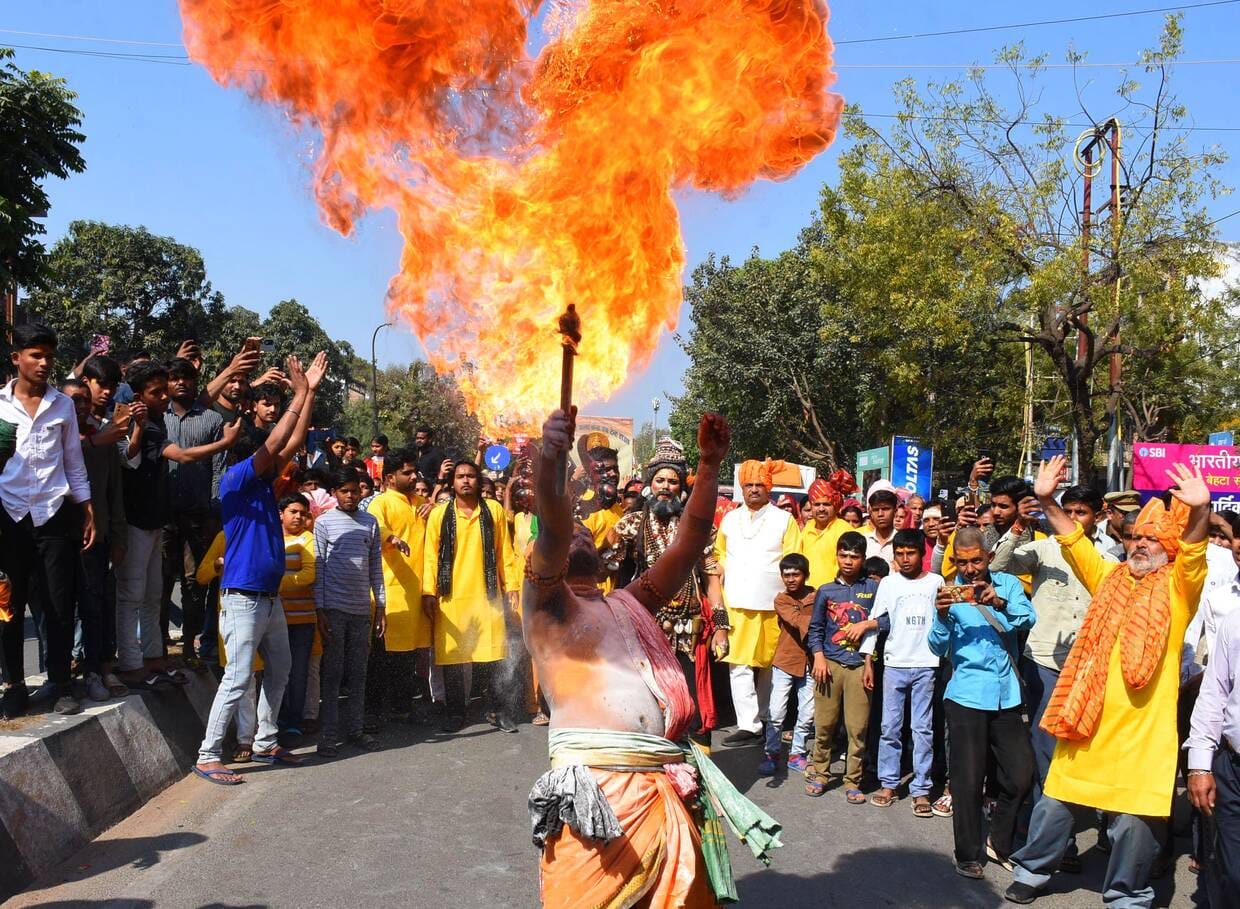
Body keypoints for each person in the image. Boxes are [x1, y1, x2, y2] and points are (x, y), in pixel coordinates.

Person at [523, 407, 780, 908]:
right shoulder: (546, 610)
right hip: (595, 800)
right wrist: (550, 465)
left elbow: (687, 545)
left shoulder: (628, 603)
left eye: (584, 531)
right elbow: (553, 530)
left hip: (662, 794)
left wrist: (708, 467)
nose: (577, 532)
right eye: (565, 533)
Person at [1005, 455, 1211, 906]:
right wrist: (1044, 498)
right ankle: (1034, 870)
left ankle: (1126, 892)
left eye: (1150, 539)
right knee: (1055, 805)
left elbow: (1194, 554)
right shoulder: (1109, 578)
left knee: (1135, 825)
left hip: (1141, 737)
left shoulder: (1179, 590)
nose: (1138, 545)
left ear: (1167, 548)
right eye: (1134, 537)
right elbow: (1073, 540)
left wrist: (1200, 510)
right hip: (1087, 719)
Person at [193, 352, 327, 786]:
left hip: (269, 598)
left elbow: (290, 441)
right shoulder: (234, 480)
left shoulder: (263, 484)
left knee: (283, 668)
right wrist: (300, 391)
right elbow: (275, 445)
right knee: (237, 677)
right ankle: (209, 753)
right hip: (243, 595)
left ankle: (267, 741)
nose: (277, 459)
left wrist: (309, 395)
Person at [992, 485, 1117, 807]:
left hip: (1087, 664)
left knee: (1083, 742)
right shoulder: (1044, 549)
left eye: (1082, 513)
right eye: (1068, 512)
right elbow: (997, 567)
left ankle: (1080, 818)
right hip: (1045, 659)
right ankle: (1046, 825)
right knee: (1044, 741)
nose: (1074, 519)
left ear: (1098, 516)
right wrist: (1018, 526)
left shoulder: (1107, 558)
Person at [116, 362, 239, 690]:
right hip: (137, 519)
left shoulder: (156, 422)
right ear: (138, 395)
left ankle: (156, 659)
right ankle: (131, 663)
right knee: (133, 594)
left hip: (164, 517)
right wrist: (223, 444)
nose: (164, 395)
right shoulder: (134, 422)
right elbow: (180, 456)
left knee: (157, 591)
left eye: (163, 390)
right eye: (156, 391)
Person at [0, 325, 96, 718]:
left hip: (54, 514)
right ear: (16, 358)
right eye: (36, 355)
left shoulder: (63, 406)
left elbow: (73, 461)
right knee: (8, 604)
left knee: (58, 601)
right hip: (8, 515)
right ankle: (14, 685)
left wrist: (88, 508)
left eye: (49, 357)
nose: (43, 363)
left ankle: (59, 682)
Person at [608, 438, 729, 748]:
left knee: (691, 708)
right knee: (647, 707)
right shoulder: (631, 524)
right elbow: (607, 569)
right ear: (650, 484)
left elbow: (712, 577)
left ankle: (695, 781)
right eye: (660, 480)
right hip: (643, 628)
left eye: (672, 481)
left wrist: (721, 627)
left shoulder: (699, 530)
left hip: (687, 632)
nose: (665, 486)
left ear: (681, 487)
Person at [931, 526, 1036, 879]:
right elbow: (936, 646)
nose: (970, 569)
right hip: (966, 695)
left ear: (988, 557)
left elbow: (1027, 619)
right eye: (963, 562)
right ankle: (967, 853)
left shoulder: (1006, 585)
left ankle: (999, 840)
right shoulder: (948, 591)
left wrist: (997, 602)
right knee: (967, 779)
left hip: (1007, 694)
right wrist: (943, 617)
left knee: (1021, 775)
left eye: (976, 560)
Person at [423, 460, 521, 733]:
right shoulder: (440, 514)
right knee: (454, 659)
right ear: (452, 482)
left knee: (492, 658)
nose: (465, 481)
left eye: (470, 476)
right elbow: (430, 557)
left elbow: (505, 551)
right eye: (459, 477)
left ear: (478, 480)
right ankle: (456, 713)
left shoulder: (494, 510)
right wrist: (428, 592)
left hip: (487, 596)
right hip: (451, 598)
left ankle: (497, 710)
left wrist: (511, 586)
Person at [714, 459, 801, 747]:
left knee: (768, 666)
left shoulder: (784, 520)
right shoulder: (729, 519)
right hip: (736, 603)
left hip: (772, 604)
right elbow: (719, 556)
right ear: (742, 488)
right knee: (738, 665)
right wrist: (719, 571)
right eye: (748, 485)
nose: (753, 490)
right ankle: (748, 725)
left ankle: (767, 719)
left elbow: (793, 560)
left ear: (769, 488)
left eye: (759, 485)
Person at [862, 527, 944, 814]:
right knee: (889, 728)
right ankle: (888, 782)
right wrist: (868, 662)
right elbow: (876, 621)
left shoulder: (936, 582)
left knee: (922, 728)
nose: (905, 559)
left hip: (927, 664)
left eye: (911, 553)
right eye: (900, 554)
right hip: (894, 663)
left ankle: (921, 788)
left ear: (923, 553)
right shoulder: (888, 584)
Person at [313, 465, 387, 754]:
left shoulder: (370, 522)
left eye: (355, 491)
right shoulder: (324, 523)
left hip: (361, 610)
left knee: (359, 673)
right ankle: (329, 736)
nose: (351, 496)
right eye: (345, 491)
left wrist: (380, 606)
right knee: (332, 674)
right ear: (334, 493)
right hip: (333, 609)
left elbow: (375, 567)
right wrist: (319, 609)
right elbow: (319, 567)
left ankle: (355, 730)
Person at [63, 379, 128, 702]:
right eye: (73, 400)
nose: (80, 406)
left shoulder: (105, 434)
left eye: (84, 400)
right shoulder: (51, 434)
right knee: (57, 608)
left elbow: (114, 491)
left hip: (95, 536)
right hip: (57, 535)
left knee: (95, 605)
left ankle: (96, 669)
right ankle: (60, 676)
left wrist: (118, 535)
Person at [805, 530, 881, 801]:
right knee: (824, 725)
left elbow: (887, 619)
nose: (848, 561)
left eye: (855, 556)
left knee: (857, 728)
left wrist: (868, 623)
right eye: (844, 555)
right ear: (837, 556)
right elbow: (815, 629)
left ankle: (852, 780)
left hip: (859, 666)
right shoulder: (826, 591)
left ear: (863, 558)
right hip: (830, 664)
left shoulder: (873, 589)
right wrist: (818, 657)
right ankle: (821, 773)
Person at [161, 357, 226, 668]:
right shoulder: (156, 417)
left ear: (196, 381)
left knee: (193, 584)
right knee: (158, 584)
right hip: (160, 514)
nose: (181, 383)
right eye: (175, 377)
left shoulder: (212, 421)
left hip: (198, 514)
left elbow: (218, 470)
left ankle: (190, 647)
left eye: (187, 377)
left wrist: (214, 512)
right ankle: (158, 649)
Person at [365, 449, 429, 726]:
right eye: (407, 472)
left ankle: (402, 708)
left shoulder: (422, 503)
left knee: (408, 656)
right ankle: (372, 713)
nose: (414, 476)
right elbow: (374, 529)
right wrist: (391, 538)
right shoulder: (381, 503)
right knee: (382, 657)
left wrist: (435, 509)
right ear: (390, 477)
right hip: (390, 592)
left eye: (414, 472)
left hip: (417, 592)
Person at [1186, 607, 1240, 908]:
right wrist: (1198, 767)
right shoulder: (1235, 619)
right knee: (1234, 875)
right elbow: (1214, 692)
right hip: (1233, 768)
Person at [762, 553, 816, 776]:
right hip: (785, 660)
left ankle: (797, 754)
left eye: (796, 574)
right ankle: (771, 754)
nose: (791, 579)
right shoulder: (781, 600)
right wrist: (818, 619)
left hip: (811, 662)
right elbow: (795, 621)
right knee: (776, 712)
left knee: (807, 712)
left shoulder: (816, 596)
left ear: (805, 575)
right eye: (787, 575)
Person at [275, 493, 316, 733]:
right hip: (274, 618)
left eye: (303, 513)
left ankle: (293, 723)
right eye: (293, 512)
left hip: (303, 619)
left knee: (298, 672)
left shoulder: (308, 539)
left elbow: (310, 575)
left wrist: (275, 581)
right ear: (281, 514)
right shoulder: (271, 538)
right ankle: (275, 719)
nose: (299, 517)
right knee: (276, 671)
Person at [801, 470, 858, 588]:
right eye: (816, 505)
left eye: (826, 504)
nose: (821, 509)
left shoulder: (845, 530)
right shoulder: (807, 527)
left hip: (835, 596)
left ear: (836, 506)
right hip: (807, 596)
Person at [864, 486, 899, 563]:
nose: (880, 514)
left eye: (885, 509)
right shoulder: (864, 541)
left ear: (895, 510)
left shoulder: (902, 542)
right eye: (876, 510)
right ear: (870, 512)